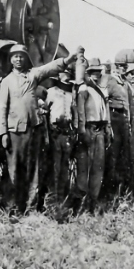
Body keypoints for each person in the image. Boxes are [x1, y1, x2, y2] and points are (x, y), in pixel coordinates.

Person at [0, 44, 76, 212]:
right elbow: (2, 108)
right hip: (14, 132)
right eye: (15, 56)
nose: (18, 59)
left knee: (33, 170)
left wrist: (67, 60)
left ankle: (31, 207)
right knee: (14, 170)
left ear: (26, 59)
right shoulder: (6, 82)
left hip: (33, 130)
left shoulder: (32, 75)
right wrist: (3, 133)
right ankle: (14, 207)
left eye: (21, 56)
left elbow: (48, 69)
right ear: (11, 60)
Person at [74, 58, 110, 213]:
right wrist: (82, 131)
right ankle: (80, 205)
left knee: (98, 168)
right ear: (87, 73)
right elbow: (80, 112)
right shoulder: (84, 89)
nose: (96, 75)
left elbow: (105, 111)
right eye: (92, 72)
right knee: (84, 169)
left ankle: (92, 203)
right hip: (88, 129)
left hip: (100, 130)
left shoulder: (101, 90)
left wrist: (108, 128)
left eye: (98, 72)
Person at [106, 51, 134, 195]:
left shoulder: (124, 84)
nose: (124, 70)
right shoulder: (110, 82)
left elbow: (130, 106)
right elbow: (105, 104)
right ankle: (111, 191)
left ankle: (123, 191)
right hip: (115, 121)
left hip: (124, 123)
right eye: (122, 67)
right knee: (114, 157)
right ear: (117, 67)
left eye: (125, 67)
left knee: (125, 157)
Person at [45, 69, 78, 202]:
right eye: (64, 73)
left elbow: (75, 113)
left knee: (65, 167)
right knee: (55, 167)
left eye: (68, 74)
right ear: (58, 75)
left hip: (67, 133)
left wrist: (75, 130)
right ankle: (52, 198)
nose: (66, 76)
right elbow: (45, 112)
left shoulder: (71, 94)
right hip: (54, 134)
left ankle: (62, 198)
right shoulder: (51, 92)